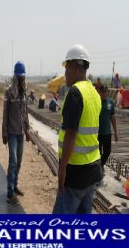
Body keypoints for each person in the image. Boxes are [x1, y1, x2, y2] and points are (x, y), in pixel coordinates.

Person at [53, 44, 102, 214]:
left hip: (75, 173)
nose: (65, 72)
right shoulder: (94, 93)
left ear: (74, 66)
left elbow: (71, 135)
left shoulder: (75, 93)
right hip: (92, 170)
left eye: (66, 67)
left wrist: (62, 169)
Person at [2, 61, 30, 205]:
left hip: (21, 133)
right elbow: (5, 114)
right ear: (15, 76)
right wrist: (4, 133)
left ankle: (15, 185)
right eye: (19, 76)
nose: (21, 79)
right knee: (12, 161)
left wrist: (28, 129)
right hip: (12, 133)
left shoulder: (24, 91)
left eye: (22, 76)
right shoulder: (9, 92)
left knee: (18, 161)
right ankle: (9, 192)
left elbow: (25, 113)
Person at [98, 84, 118, 174]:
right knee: (98, 152)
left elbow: (113, 117)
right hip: (97, 133)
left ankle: (101, 165)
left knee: (107, 151)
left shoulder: (111, 102)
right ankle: (98, 169)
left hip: (107, 133)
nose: (105, 93)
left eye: (106, 92)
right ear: (99, 92)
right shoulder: (96, 102)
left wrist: (116, 133)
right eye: (103, 92)